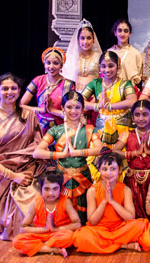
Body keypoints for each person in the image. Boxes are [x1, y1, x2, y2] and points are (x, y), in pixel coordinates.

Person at [0, 73, 46, 240]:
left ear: (19, 91)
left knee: (42, 208)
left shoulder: (28, 115)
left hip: (28, 171)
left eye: (13, 88)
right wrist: (13, 176)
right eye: (5, 88)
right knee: (17, 227)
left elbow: (37, 146)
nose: (10, 92)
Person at [33, 91, 103, 224]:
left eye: (77, 107)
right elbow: (37, 153)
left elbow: (100, 149)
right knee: (62, 213)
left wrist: (77, 152)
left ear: (83, 109)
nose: (73, 111)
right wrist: (61, 155)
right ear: (62, 109)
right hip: (61, 179)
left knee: (83, 212)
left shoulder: (89, 129)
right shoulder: (55, 130)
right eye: (69, 107)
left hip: (83, 177)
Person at [73, 149, 148, 253]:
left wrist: (112, 201)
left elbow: (130, 217)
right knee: (80, 236)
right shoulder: (92, 190)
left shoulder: (125, 189)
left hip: (120, 228)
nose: (108, 173)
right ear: (99, 170)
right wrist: (104, 201)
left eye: (113, 169)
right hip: (100, 230)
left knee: (139, 225)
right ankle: (122, 245)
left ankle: (107, 244)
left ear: (120, 170)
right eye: (104, 169)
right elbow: (93, 221)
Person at [113, 100, 150, 219]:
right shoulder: (127, 134)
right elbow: (115, 151)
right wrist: (134, 153)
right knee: (135, 211)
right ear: (132, 117)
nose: (141, 118)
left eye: (145, 114)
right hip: (133, 180)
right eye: (137, 115)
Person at [12, 170, 81, 257]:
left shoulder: (65, 201)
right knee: (17, 241)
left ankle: (41, 247)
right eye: (47, 189)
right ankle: (52, 249)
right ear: (40, 189)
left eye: (55, 189)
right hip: (40, 234)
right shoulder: (36, 202)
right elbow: (23, 228)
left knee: (69, 237)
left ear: (61, 188)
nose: (51, 193)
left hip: (59, 234)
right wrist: (45, 229)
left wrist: (54, 229)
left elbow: (77, 224)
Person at [82, 51, 137, 147]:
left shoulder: (125, 84)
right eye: (103, 66)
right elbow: (79, 101)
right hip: (101, 127)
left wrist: (110, 106)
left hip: (122, 127)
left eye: (111, 66)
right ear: (99, 67)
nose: (107, 70)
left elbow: (132, 101)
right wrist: (97, 106)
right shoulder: (95, 83)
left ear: (118, 66)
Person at [20, 47, 75, 133]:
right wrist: (41, 110)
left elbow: (72, 113)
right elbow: (21, 105)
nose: (51, 66)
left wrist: (52, 110)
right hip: (38, 127)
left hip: (61, 129)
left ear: (61, 65)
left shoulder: (68, 85)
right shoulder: (38, 80)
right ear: (44, 64)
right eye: (48, 63)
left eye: (56, 63)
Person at [62, 18, 102, 93]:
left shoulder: (99, 57)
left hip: (94, 95)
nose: (85, 42)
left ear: (94, 40)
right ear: (78, 40)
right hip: (75, 95)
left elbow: (103, 79)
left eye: (89, 38)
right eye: (82, 38)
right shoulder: (72, 58)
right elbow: (66, 79)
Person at [108, 19, 143, 88]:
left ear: (129, 33)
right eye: (119, 30)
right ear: (115, 33)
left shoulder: (136, 54)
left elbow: (139, 76)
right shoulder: (109, 53)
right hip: (111, 90)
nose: (122, 34)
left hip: (130, 91)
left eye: (126, 31)